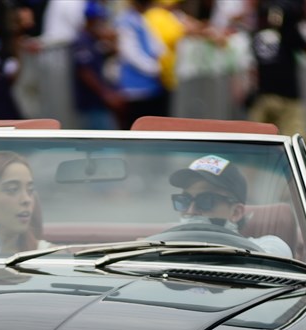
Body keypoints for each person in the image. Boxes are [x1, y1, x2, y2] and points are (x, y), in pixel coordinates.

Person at [167, 154, 293, 258]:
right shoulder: (164, 247)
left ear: (236, 212)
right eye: (184, 200)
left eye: (205, 200)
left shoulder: (268, 247)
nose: (190, 211)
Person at [248, 0, 306, 143]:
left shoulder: (258, 26)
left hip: (264, 94)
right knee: (296, 143)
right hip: (286, 96)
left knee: (257, 144)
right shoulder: (289, 28)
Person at [115, 0, 169, 129]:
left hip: (151, 87)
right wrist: (155, 68)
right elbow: (131, 53)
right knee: (136, 125)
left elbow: (157, 46)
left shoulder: (141, 19)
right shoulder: (126, 21)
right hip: (135, 88)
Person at [72, 0, 125, 129]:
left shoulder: (95, 39)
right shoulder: (83, 41)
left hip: (100, 102)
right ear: (90, 20)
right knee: (100, 143)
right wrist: (106, 94)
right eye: (99, 20)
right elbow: (85, 72)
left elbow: (111, 54)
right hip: (92, 102)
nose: (101, 24)